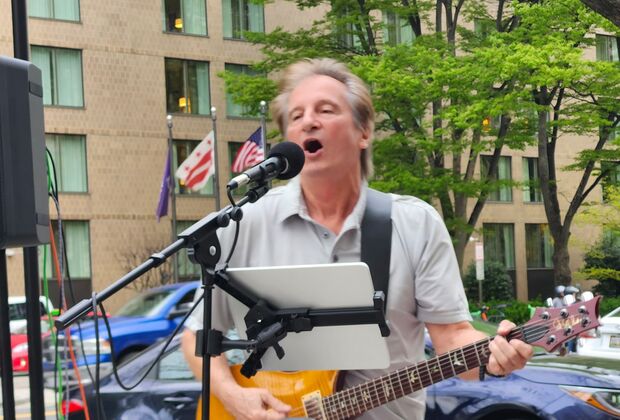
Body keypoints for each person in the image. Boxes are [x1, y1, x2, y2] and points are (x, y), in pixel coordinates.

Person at [182, 58, 533, 420]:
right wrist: (234, 398)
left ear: (363, 132)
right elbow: (197, 336)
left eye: (325, 110)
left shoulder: (413, 224)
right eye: (296, 116)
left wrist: (494, 356)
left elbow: (453, 337)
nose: (308, 121)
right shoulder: (244, 224)